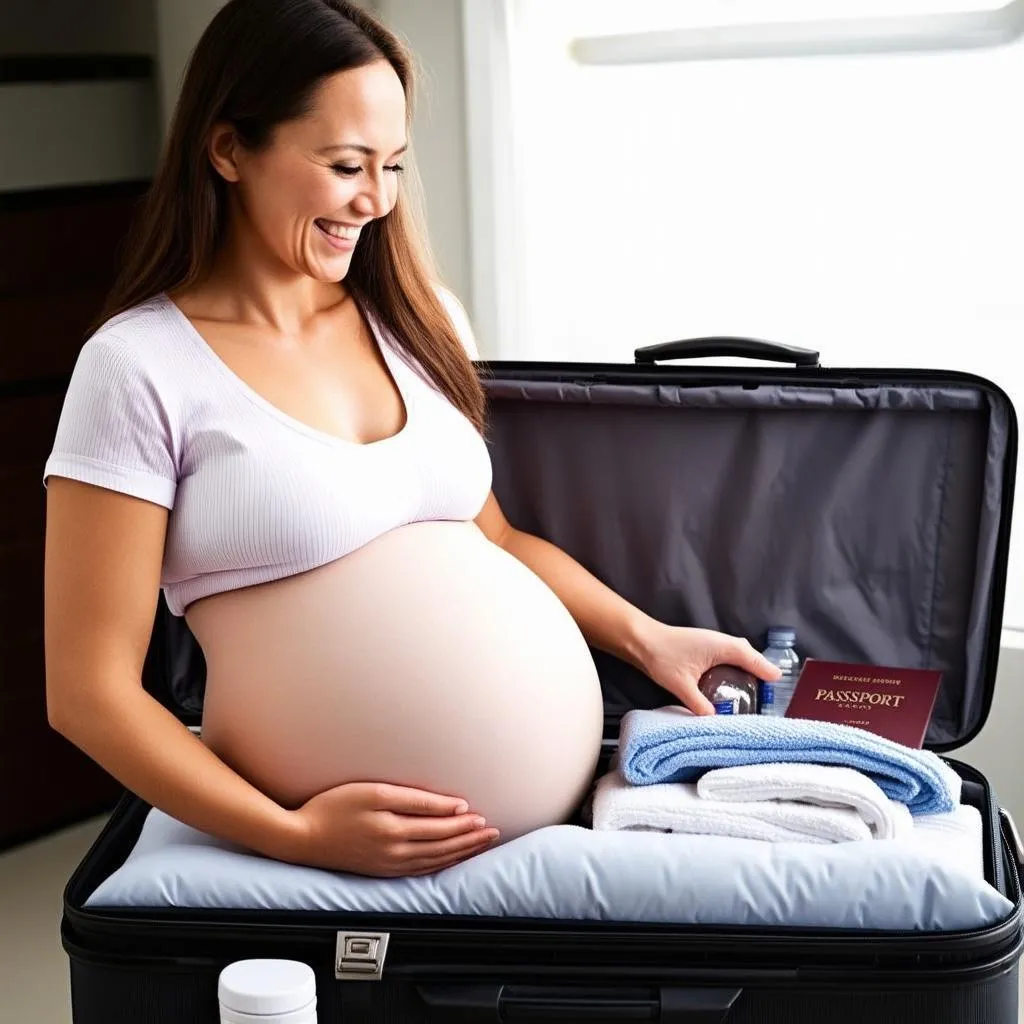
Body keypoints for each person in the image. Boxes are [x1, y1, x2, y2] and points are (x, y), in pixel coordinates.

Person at [42, 0, 779, 879]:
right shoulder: (138, 368)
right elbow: (88, 695)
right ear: (230, 148)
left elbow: (493, 540)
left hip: (548, 827)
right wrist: (296, 835)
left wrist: (645, 636)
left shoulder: (418, 319)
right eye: (346, 164)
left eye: (391, 164)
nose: (376, 199)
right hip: (321, 847)